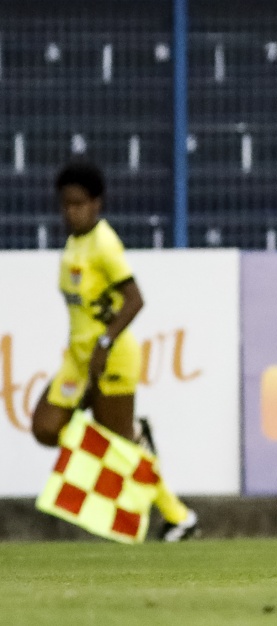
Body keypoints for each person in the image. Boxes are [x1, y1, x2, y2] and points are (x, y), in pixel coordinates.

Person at [31, 160, 199, 542]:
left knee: (121, 451)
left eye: (79, 204)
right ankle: (136, 436)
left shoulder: (105, 243)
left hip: (111, 359)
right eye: (65, 204)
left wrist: (105, 341)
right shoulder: (75, 242)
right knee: (45, 427)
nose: (71, 212)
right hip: (78, 360)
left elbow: (135, 299)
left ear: (97, 204)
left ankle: (180, 517)